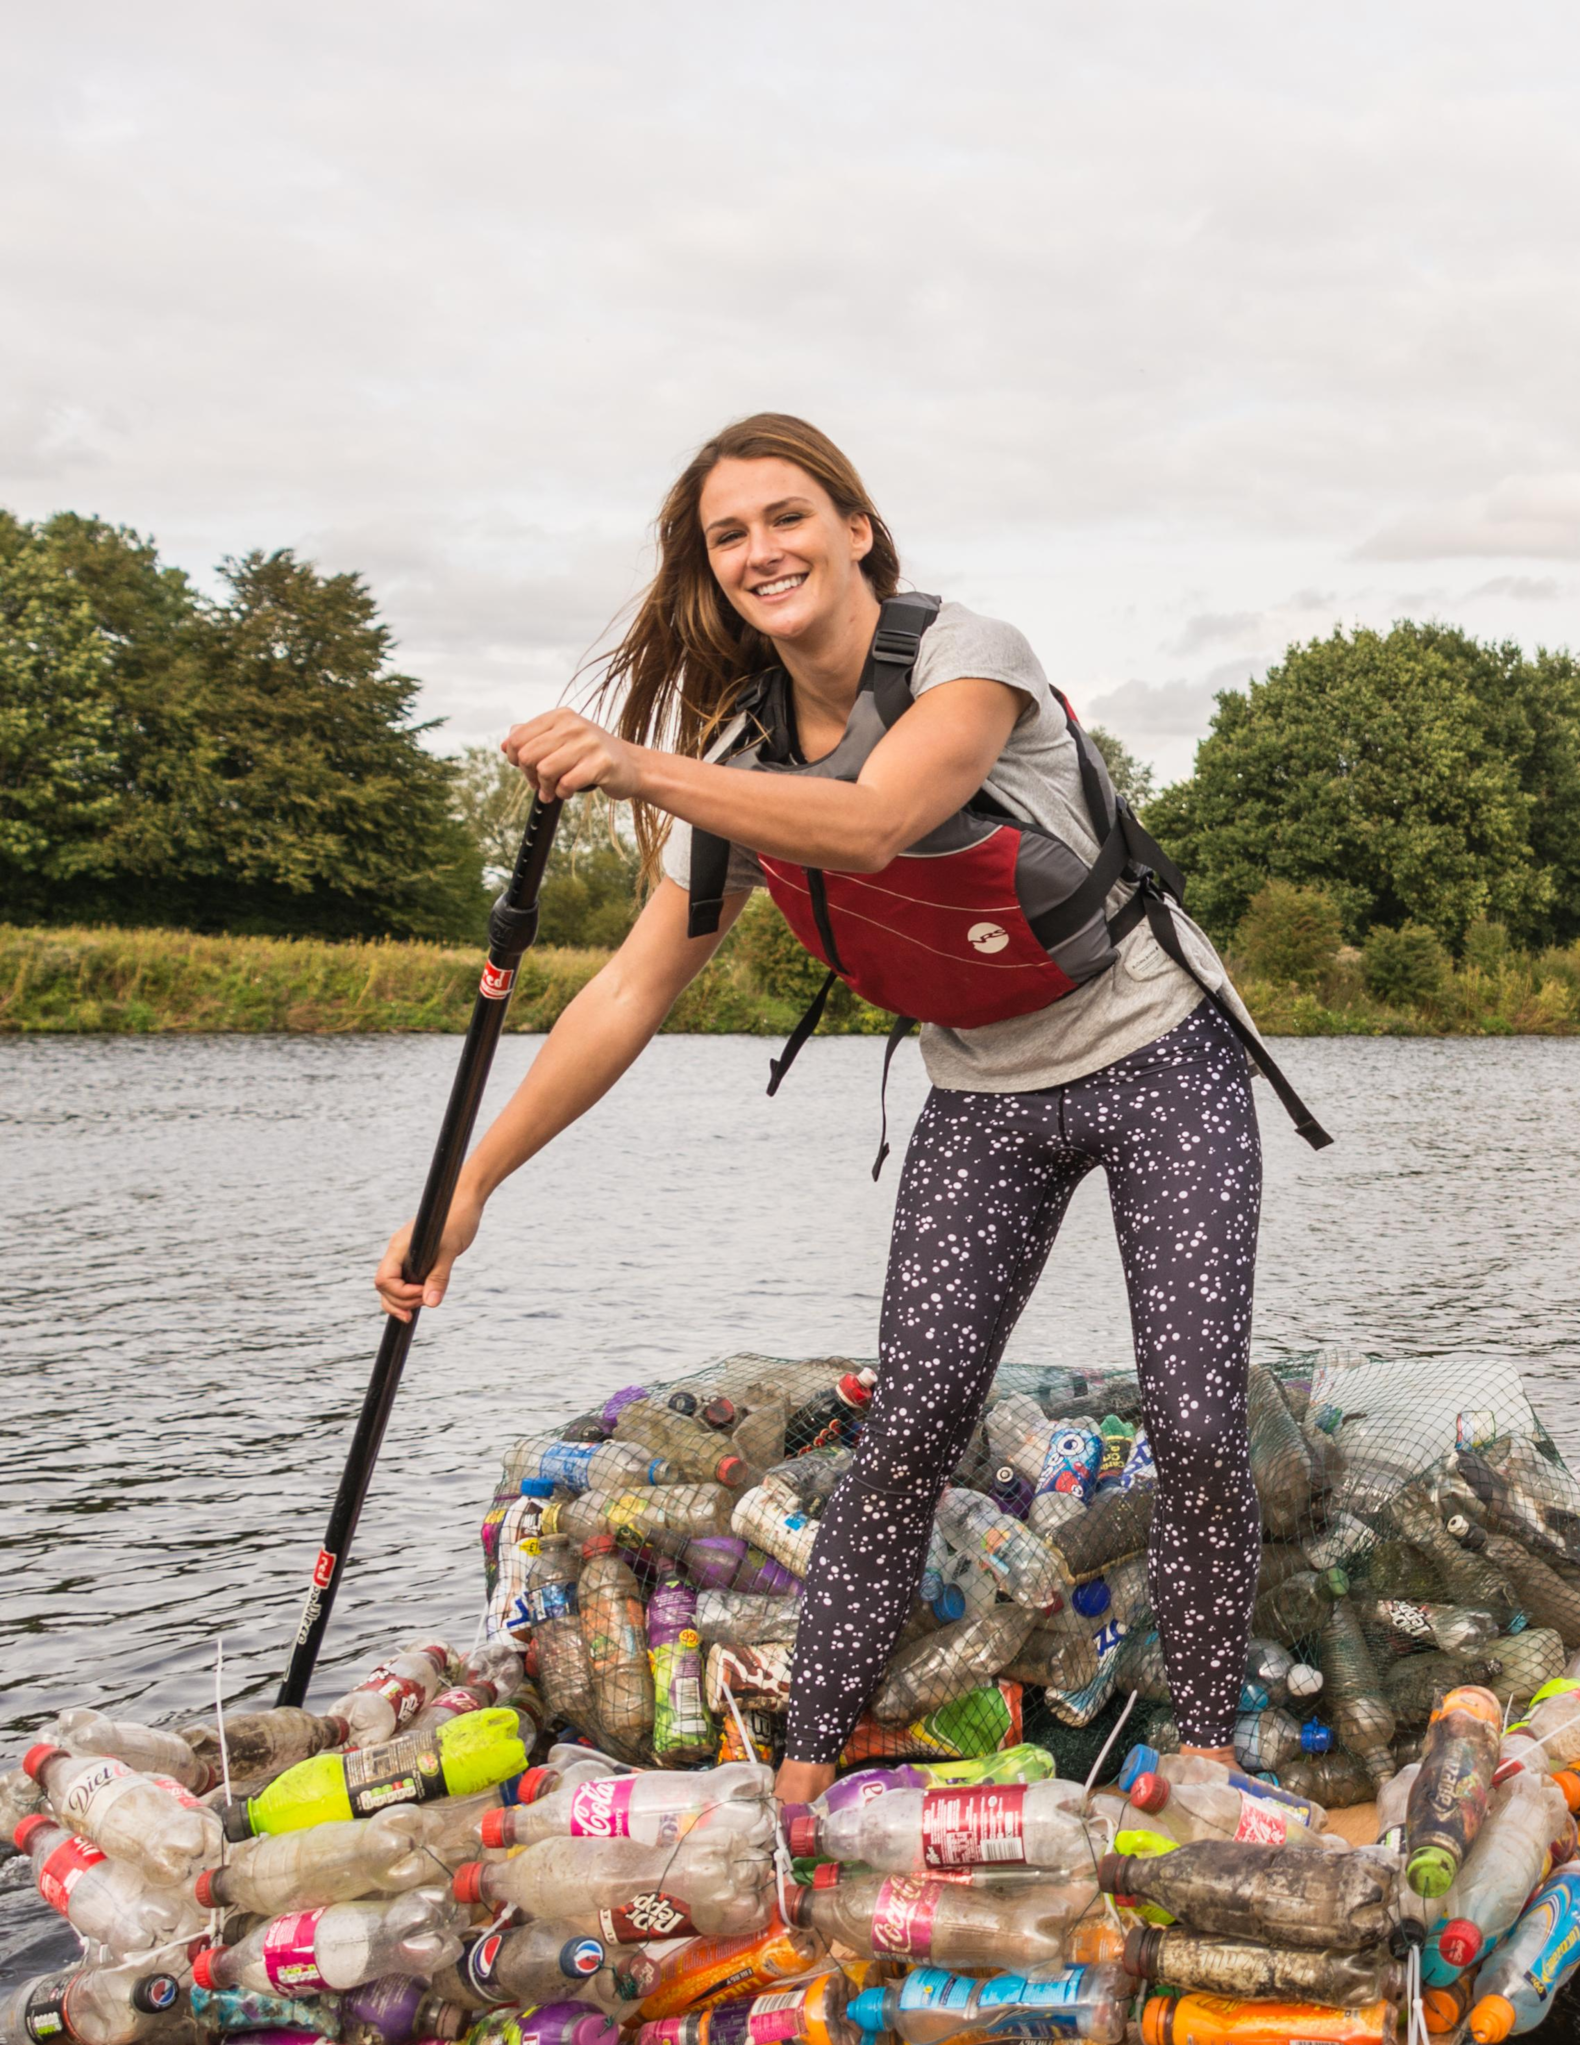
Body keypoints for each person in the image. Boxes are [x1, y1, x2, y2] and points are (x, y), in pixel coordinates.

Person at [376, 412, 1323, 1803]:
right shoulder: (740, 754)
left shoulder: (967, 658)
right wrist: (469, 1188)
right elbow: (629, 992)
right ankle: (804, 1779)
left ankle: (1195, 1751)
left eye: (786, 517)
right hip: (982, 1093)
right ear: (711, 570)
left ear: (855, 527)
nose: (763, 550)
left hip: (1160, 1057)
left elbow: (877, 820)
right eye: (729, 535)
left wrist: (636, 766)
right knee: (913, 1424)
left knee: (1191, 1418)